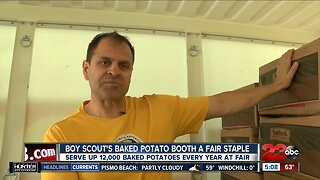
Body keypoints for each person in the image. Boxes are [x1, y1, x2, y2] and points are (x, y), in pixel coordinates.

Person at [42, 32, 299, 180]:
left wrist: (276, 86)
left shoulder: (160, 109)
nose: (114, 71)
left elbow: (220, 103)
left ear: (131, 72)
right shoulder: (59, 137)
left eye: (123, 65)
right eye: (104, 62)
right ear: (86, 69)